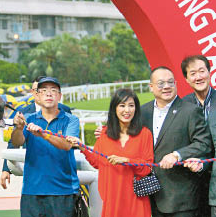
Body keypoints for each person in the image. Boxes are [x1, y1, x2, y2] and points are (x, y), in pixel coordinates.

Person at [68, 88, 154, 217]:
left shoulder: (144, 134)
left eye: (131, 105)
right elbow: (97, 162)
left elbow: (147, 168)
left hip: (136, 200)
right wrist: (82, 147)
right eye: (122, 105)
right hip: (112, 199)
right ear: (114, 108)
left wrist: (127, 161)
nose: (127, 110)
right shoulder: (105, 134)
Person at [141, 66, 212, 216]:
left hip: (181, 199)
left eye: (170, 82)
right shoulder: (142, 112)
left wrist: (177, 155)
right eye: (161, 83)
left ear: (176, 84)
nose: (166, 86)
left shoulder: (190, 111)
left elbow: (203, 143)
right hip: (148, 196)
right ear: (151, 87)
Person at [11, 76, 80, 217]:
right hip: (32, 191)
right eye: (44, 90)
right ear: (37, 95)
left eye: (54, 90)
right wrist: (18, 128)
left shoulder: (71, 120)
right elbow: (17, 142)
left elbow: (67, 145)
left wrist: (44, 134)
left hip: (63, 191)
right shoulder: (29, 118)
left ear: (59, 96)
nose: (49, 94)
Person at [1, 76, 72, 189]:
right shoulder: (23, 113)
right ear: (33, 93)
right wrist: (6, 169)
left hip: (60, 169)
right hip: (34, 171)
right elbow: (13, 142)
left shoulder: (65, 110)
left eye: (44, 90)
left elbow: (71, 141)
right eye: (37, 90)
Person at [180, 55, 216, 217]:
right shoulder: (182, 106)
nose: (198, 76)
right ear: (186, 79)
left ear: (210, 73)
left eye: (202, 71)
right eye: (193, 73)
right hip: (193, 181)